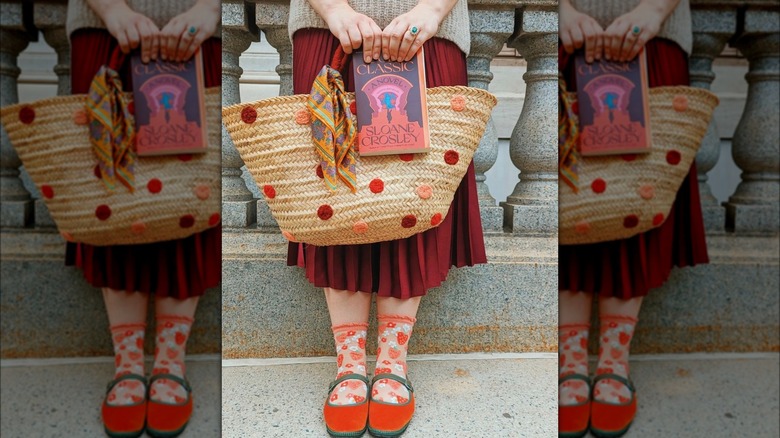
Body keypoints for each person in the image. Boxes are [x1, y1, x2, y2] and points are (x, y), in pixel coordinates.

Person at [285, 0, 483, 436]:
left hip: (429, 31)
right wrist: (334, 9)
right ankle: (350, 364)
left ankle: (393, 361)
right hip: (327, 25)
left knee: (416, 192)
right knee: (336, 199)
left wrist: (432, 10)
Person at [64, 1, 221, 436]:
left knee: (189, 193)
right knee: (113, 199)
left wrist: (213, 9)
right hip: (104, 26)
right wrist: (111, 9)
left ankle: (171, 360)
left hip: (198, 31)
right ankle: (128, 363)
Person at [556, 1, 703, 437]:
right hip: (567, 37)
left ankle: (613, 360)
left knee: (637, 195)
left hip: (651, 36)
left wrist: (656, 10)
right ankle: (571, 360)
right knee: (572, 203)